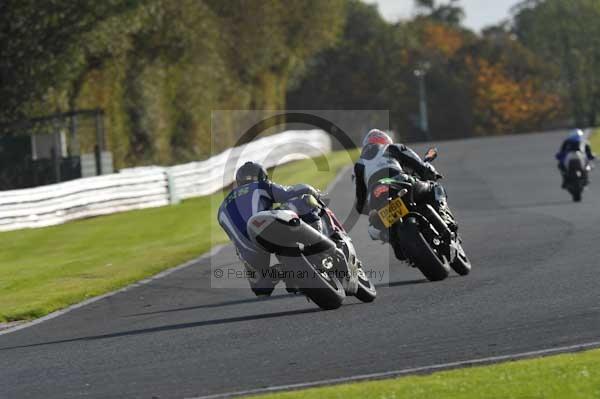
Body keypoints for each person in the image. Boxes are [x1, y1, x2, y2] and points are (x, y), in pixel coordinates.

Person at [217, 161, 322, 296]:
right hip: (268, 231)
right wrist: (312, 191)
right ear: (262, 177)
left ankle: (282, 272)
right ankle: (316, 247)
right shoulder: (260, 186)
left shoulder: (221, 208)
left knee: (261, 289)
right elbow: (289, 193)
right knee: (303, 200)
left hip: (247, 250)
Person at [353, 129, 456, 244]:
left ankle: (392, 237)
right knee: (435, 188)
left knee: (375, 227)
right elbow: (421, 166)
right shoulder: (391, 148)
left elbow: (360, 204)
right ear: (386, 141)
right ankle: (445, 219)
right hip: (399, 182)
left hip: (376, 196)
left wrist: (371, 208)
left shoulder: (359, 163)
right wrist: (431, 173)